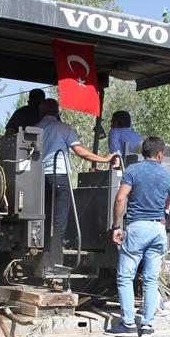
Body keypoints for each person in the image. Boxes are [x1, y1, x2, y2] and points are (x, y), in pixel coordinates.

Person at [108, 137, 170, 337]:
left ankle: (128, 324)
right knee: (151, 279)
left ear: (142, 152)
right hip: (158, 230)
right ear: (160, 154)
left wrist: (116, 226)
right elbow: (167, 206)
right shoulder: (167, 176)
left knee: (125, 276)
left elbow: (120, 199)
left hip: (137, 228)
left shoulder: (133, 171)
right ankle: (147, 325)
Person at [37, 99, 115, 269]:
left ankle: (42, 258)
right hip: (59, 175)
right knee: (59, 222)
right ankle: (55, 263)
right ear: (57, 111)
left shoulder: (35, 128)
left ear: (41, 112)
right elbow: (80, 151)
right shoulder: (63, 128)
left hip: (38, 179)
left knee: (44, 219)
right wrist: (104, 159)